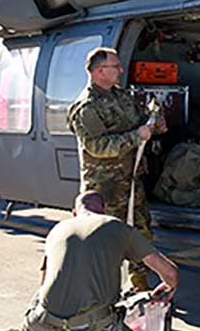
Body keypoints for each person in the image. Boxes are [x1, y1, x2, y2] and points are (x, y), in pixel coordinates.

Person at [23, 190, 179, 331]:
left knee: (51, 301)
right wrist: (169, 287)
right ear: (104, 210)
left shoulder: (57, 229)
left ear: (74, 212)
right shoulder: (118, 227)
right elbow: (170, 273)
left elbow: (43, 284)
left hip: (38, 330)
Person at [67, 47, 166, 292]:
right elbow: (97, 146)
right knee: (105, 242)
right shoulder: (86, 107)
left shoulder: (121, 97)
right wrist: (136, 136)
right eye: (115, 66)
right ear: (100, 71)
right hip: (105, 189)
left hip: (130, 182)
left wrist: (154, 125)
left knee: (140, 235)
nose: (121, 70)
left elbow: (137, 124)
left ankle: (139, 286)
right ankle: (100, 292)